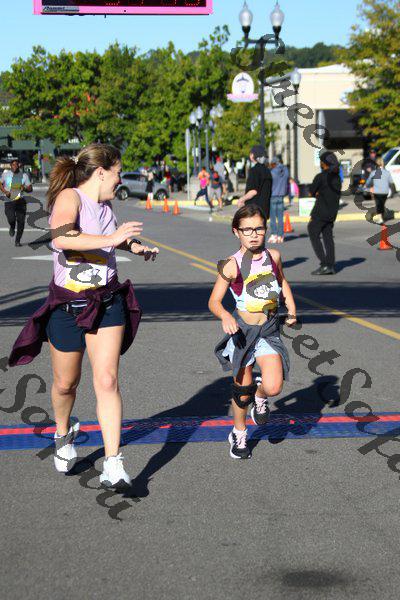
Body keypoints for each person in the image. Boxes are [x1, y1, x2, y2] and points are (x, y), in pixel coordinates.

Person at [8, 143, 160, 489]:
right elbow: (63, 238)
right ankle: (63, 433)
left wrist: (134, 246)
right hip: (68, 306)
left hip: (107, 302)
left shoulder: (106, 206)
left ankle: (113, 463)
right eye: (118, 172)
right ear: (101, 172)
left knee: (107, 381)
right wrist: (113, 237)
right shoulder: (70, 198)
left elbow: (109, 240)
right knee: (66, 384)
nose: (120, 179)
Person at [209, 204, 296, 459]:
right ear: (236, 232)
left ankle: (261, 396)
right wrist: (226, 315)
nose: (254, 234)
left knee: (274, 386)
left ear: (265, 229)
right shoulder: (231, 265)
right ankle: (239, 432)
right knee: (241, 393)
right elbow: (214, 301)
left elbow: (281, 281)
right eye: (247, 229)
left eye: (259, 228)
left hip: (268, 330)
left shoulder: (273, 256)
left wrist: (291, 308)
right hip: (243, 333)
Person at [308, 151, 342, 276]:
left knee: (313, 232)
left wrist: (317, 193)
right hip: (332, 212)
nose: (321, 164)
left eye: (321, 162)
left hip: (320, 212)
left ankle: (324, 264)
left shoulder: (321, 177)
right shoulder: (337, 178)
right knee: (328, 237)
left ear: (324, 163)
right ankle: (330, 265)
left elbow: (311, 192)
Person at [0, 158, 32, 246]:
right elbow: (0, 183)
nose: (15, 166)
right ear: (10, 166)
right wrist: (5, 191)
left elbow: (30, 188)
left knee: (21, 222)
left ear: (19, 166)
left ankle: (17, 241)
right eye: (13, 165)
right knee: (11, 219)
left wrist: (24, 188)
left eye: (16, 164)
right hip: (9, 200)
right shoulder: (6, 174)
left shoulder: (24, 176)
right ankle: (12, 226)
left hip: (20, 201)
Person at [237, 145, 272, 219]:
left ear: (253, 155)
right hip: (265, 210)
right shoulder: (267, 171)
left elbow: (253, 191)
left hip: (254, 210)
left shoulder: (254, 171)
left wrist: (241, 199)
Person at [365, 156, 394, 224]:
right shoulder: (387, 172)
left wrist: (367, 186)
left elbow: (368, 182)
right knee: (382, 204)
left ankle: (380, 218)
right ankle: (382, 217)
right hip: (385, 192)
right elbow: (391, 182)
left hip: (377, 192)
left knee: (378, 205)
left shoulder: (374, 172)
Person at [269, 157, 289, 244]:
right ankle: (281, 236)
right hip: (281, 195)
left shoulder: (272, 172)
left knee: (273, 217)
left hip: (273, 195)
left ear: (274, 163)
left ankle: (274, 234)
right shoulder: (285, 170)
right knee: (280, 217)